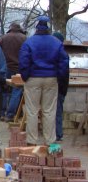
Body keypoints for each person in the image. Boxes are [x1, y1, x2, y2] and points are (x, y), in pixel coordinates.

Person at [18, 16, 69, 146]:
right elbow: (64, 62)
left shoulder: (29, 42)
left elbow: (23, 62)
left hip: (33, 78)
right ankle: (50, 141)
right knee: (49, 111)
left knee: (32, 111)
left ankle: (32, 141)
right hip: (51, 78)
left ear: (37, 27)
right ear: (48, 27)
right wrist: (58, 76)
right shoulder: (56, 42)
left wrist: (25, 76)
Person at [0, 23, 27, 121]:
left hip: (6, 67)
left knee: (4, 91)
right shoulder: (24, 38)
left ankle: (1, 113)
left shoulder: (3, 38)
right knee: (16, 91)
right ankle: (10, 115)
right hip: (19, 68)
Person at [52, 32, 69, 141]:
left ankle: (57, 133)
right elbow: (64, 73)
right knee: (57, 110)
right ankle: (58, 133)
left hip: (56, 85)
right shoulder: (63, 53)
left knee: (53, 111)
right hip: (60, 85)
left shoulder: (53, 52)